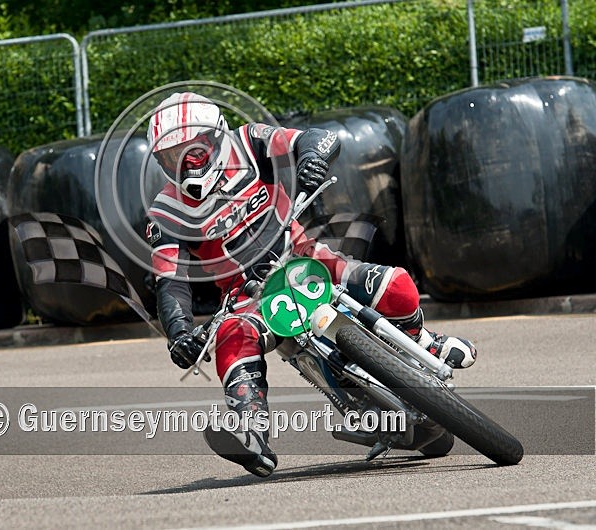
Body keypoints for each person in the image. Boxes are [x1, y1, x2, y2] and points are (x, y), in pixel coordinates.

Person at [144, 92, 476, 478]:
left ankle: (422, 341)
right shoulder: (165, 212)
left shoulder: (249, 142)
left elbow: (315, 138)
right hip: (248, 292)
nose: (186, 165)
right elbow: (170, 281)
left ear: (216, 137)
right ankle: (249, 428)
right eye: (173, 157)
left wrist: (311, 158)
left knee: (396, 284)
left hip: (307, 256)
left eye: (194, 151)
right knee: (233, 334)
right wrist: (179, 334)